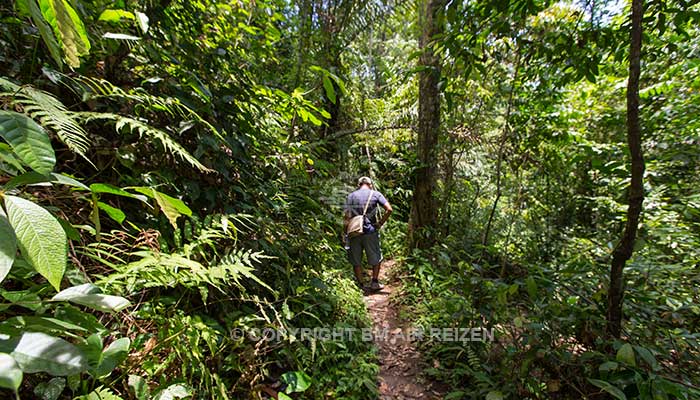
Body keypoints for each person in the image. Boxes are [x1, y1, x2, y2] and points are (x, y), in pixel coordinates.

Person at [343, 176, 393, 291]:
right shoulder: (375, 194)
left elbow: (346, 216)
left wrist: (345, 232)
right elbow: (389, 209)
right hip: (370, 231)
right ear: (370, 184)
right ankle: (374, 282)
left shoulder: (351, 196)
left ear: (359, 185)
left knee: (356, 259)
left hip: (354, 232)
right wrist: (380, 223)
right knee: (376, 256)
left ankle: (361, 285)